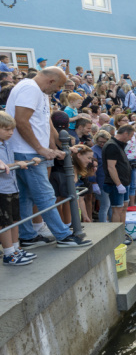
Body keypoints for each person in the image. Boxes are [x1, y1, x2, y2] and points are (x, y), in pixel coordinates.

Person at [6, 68, 92, 248]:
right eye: (59, 86)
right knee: (45, 194)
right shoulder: (30, 88)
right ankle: (63, 236)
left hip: (32, 151)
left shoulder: (41, 92)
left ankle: (27, 236)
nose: (58, 90)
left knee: (27, 196)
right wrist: (40, 149)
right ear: (51, 81)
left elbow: (46, 124)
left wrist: (55, 148)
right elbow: (21, 121)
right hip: (26, 151)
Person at [0, 111, 38, 265]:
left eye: (12, 129)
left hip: (11, 186)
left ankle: (16, 248)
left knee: (15, 219)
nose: (10, 132)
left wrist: (26, 161)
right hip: (2, 189)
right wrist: (17, 164)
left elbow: (8, 161)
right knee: (4, 222)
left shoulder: (6, 144)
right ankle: (8, 253)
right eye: (6, 129)